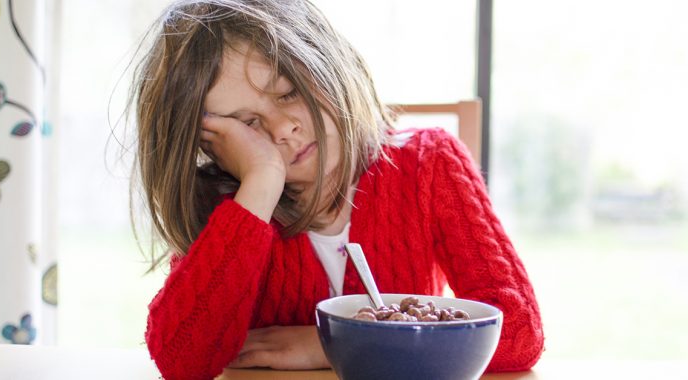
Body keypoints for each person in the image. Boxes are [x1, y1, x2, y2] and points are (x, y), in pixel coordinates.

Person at [129, 1, 544, 379]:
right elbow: (181, 359)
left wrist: (334, 344)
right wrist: (260, 184)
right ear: (211, 145)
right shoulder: (230, 206)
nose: (282, 128)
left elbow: (520, 334)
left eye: (288, 92)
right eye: (247, 124)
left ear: (327, 61)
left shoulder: (430, 164)